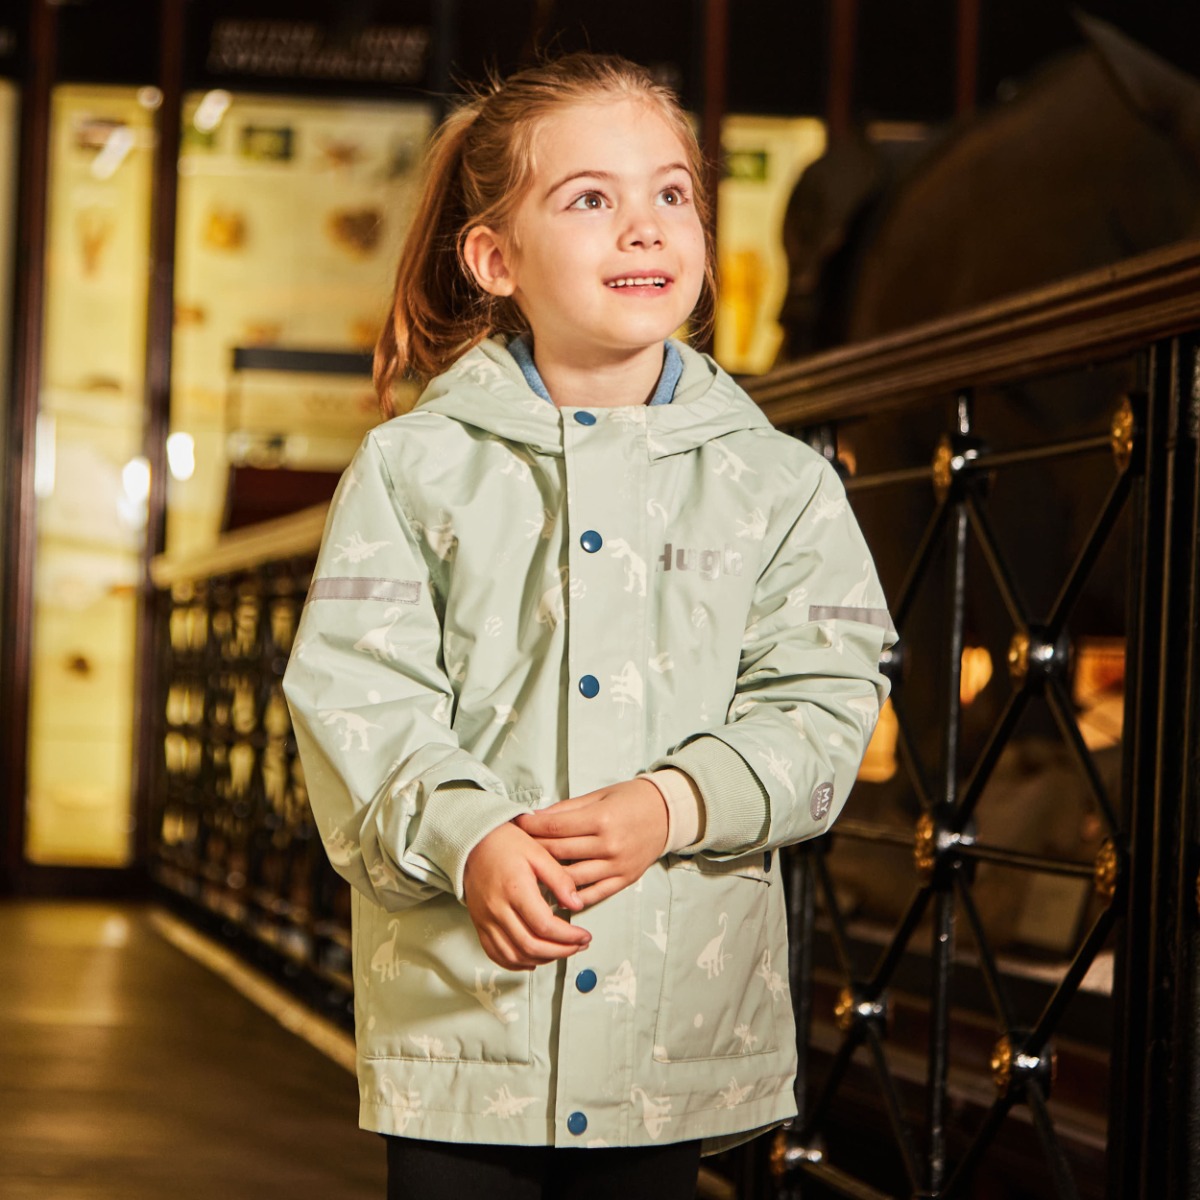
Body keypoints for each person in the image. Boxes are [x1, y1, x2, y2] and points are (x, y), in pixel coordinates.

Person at [282, 51, 895, 1200]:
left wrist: (676, 802)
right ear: (494, 258)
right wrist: (470, 839)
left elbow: (823, 701)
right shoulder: (412, 469)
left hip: (671, 1020)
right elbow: (355, 695)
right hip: (467, 1018)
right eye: (592, 200)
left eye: (672, 194)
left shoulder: (782, 485)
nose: (646, 229)